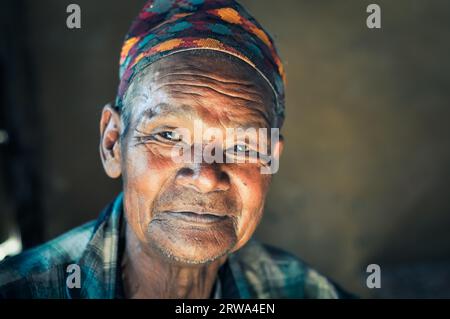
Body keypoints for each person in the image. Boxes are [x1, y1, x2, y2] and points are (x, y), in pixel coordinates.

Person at [0, 0, 348, 298]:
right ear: (112, 145)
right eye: (169, 136)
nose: (206, 178)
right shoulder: (20, 289)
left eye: (243, 146)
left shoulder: (299, 289)